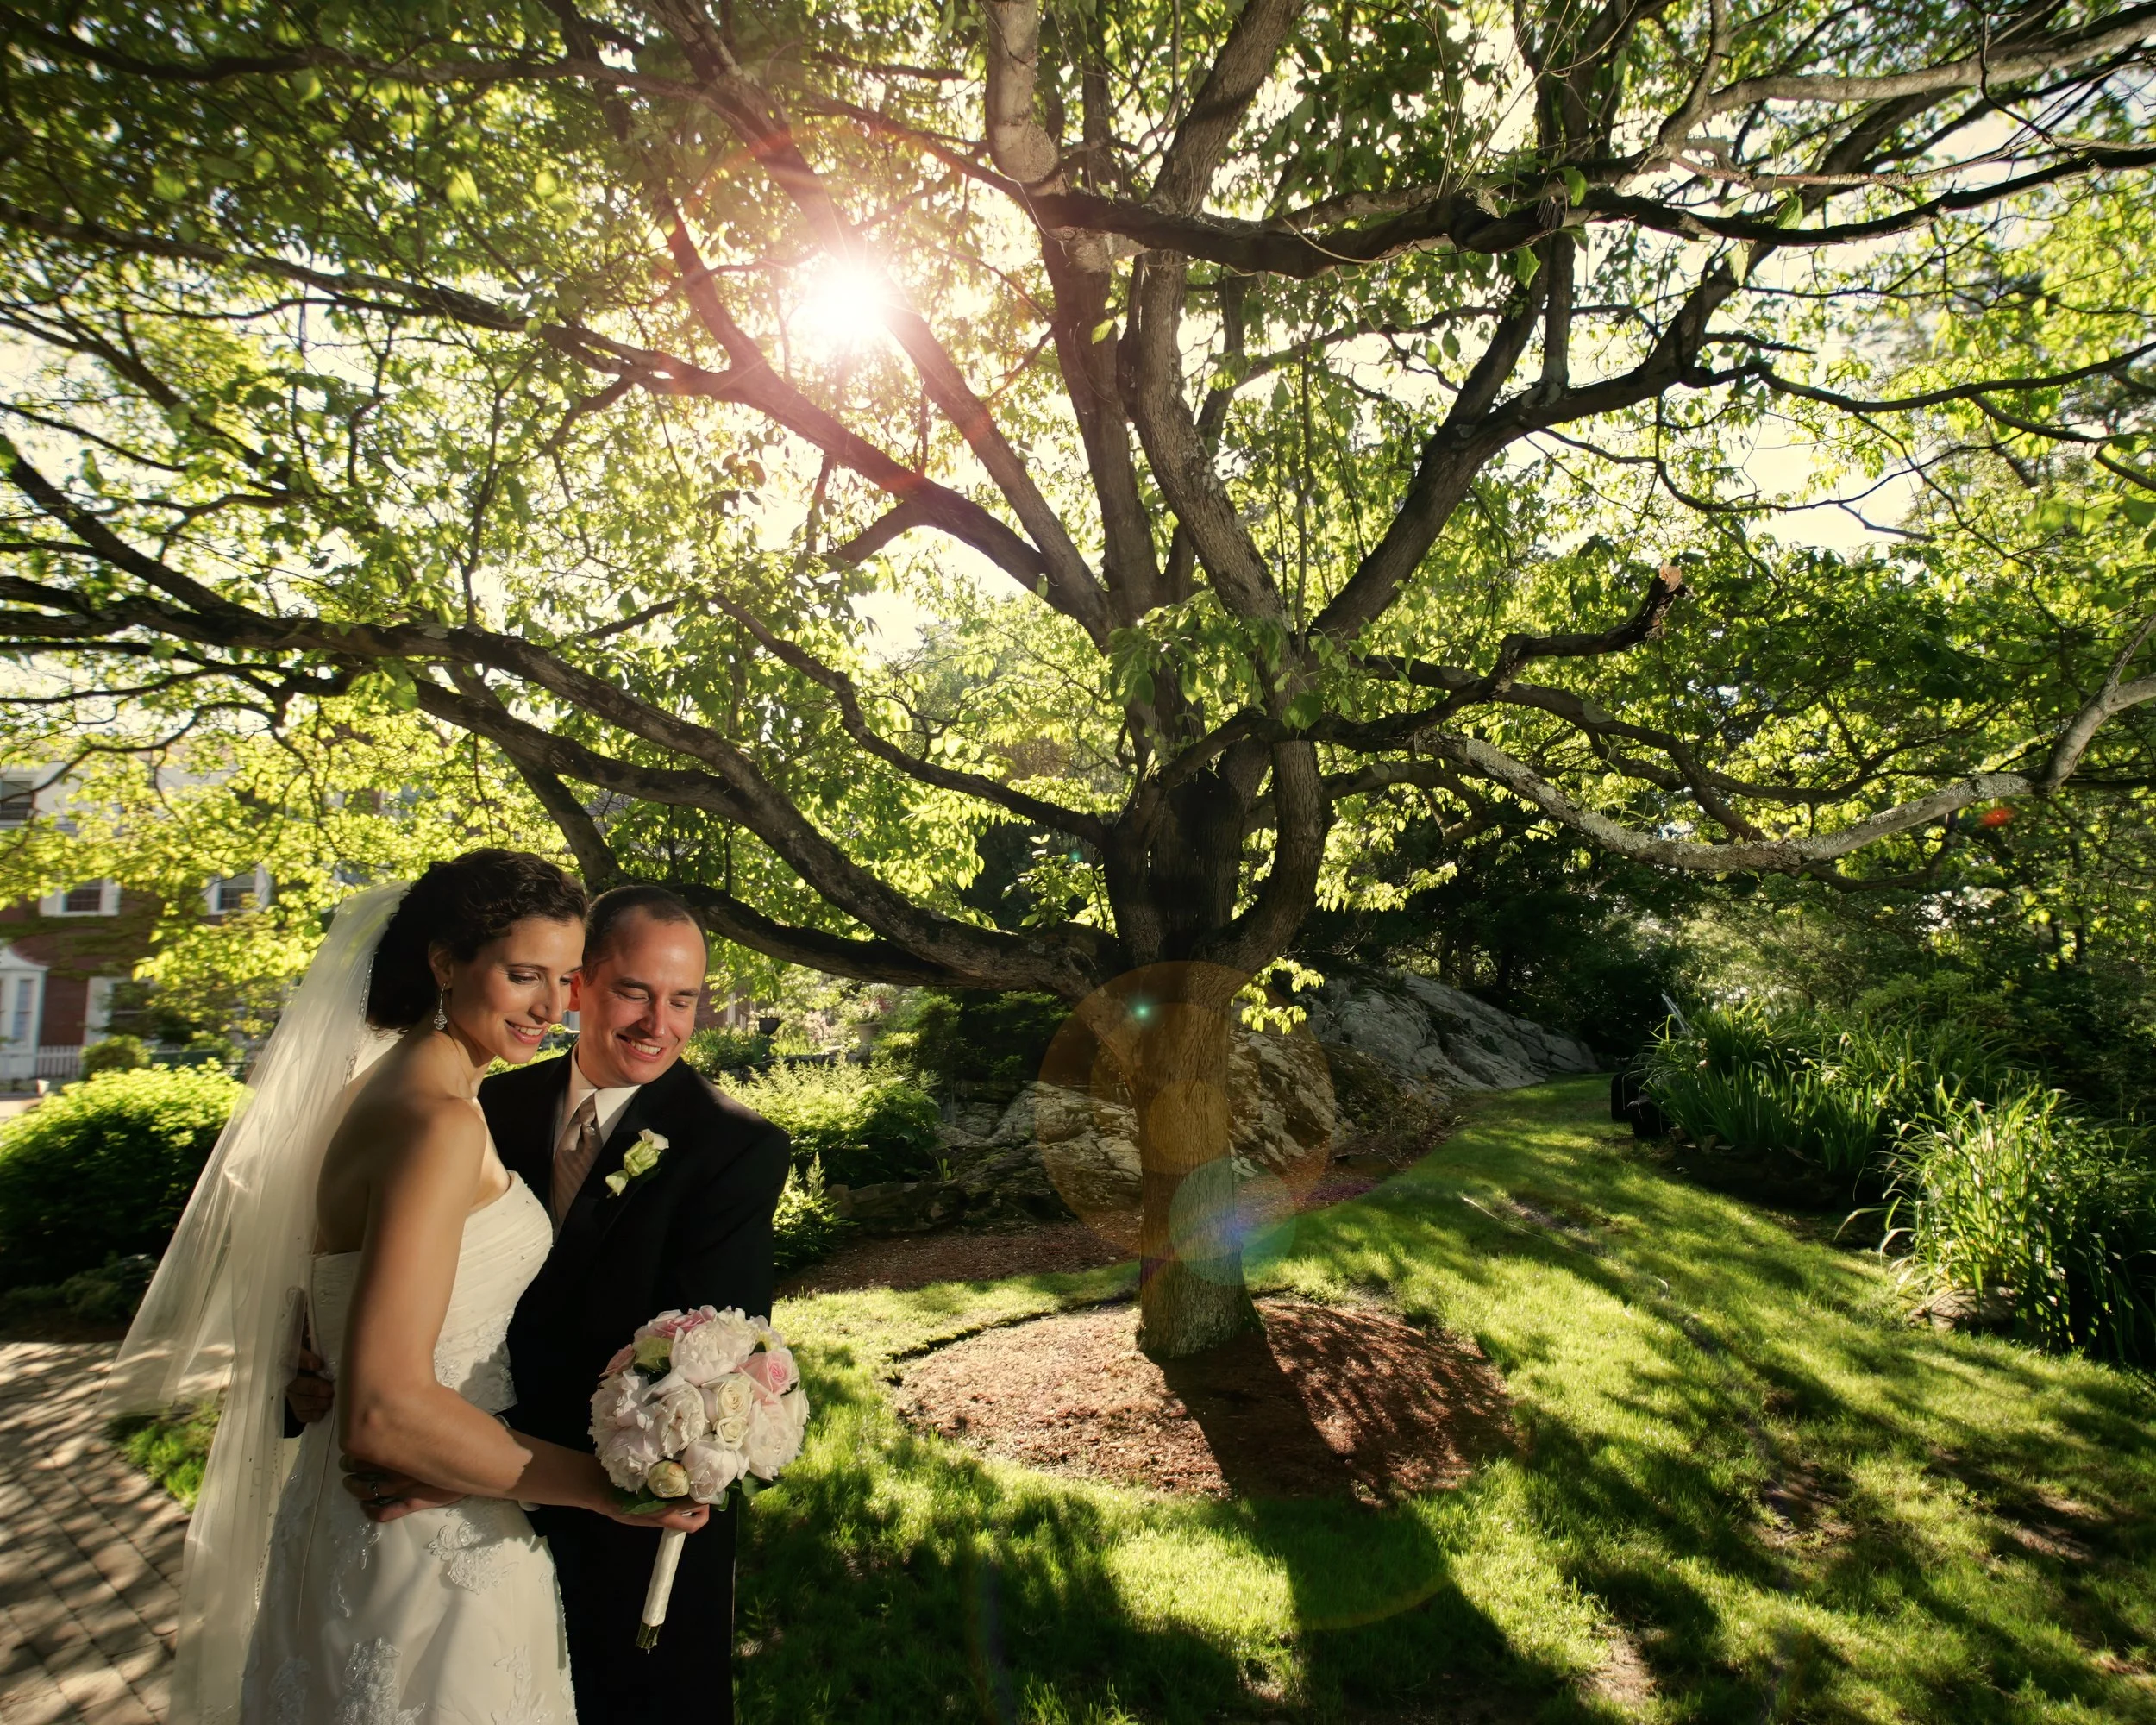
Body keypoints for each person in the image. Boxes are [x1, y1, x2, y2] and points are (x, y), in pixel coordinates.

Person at [103, 851, 707, 1725]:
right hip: (423, 1546)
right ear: (444, 961)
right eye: (522, 973)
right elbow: (384, 1412)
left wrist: (314, 1363)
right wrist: (613, 1488)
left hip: (356, 1523)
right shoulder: (434, 1122)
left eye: (566, 978)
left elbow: (336, 1306)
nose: (549, 1004)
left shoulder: (379, 1090)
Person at [313, 883, 791, 1725]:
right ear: (579, 982)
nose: (659, 1022)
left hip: (624, 1538)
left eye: (683, 998)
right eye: (635, 990)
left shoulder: (735, 1148)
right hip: (456, 1523)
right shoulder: (484, 1103)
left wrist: (458, 1459)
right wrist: (326, 1371)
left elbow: (692, 1377)